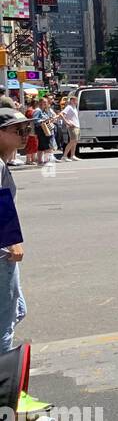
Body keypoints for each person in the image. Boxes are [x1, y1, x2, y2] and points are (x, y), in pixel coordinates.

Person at [0, 110, 29, 353]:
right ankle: (4, 388)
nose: (24, 134)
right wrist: (12, 241)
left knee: (17, 309)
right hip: (2, 254)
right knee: (4, 325)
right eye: (17, 130)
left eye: (26, 129)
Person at [59, 96, 80, 161]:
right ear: (71, 101)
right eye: (75, 100)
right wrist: (67, 122)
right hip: (72, 127)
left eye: (76, 100)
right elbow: (61, 114)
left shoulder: (74, 107)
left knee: (75, 141)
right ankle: (64, 156)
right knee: (72, 141)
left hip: (77, 126)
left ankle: (72, 155)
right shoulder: (69, 107)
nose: (76, 101)